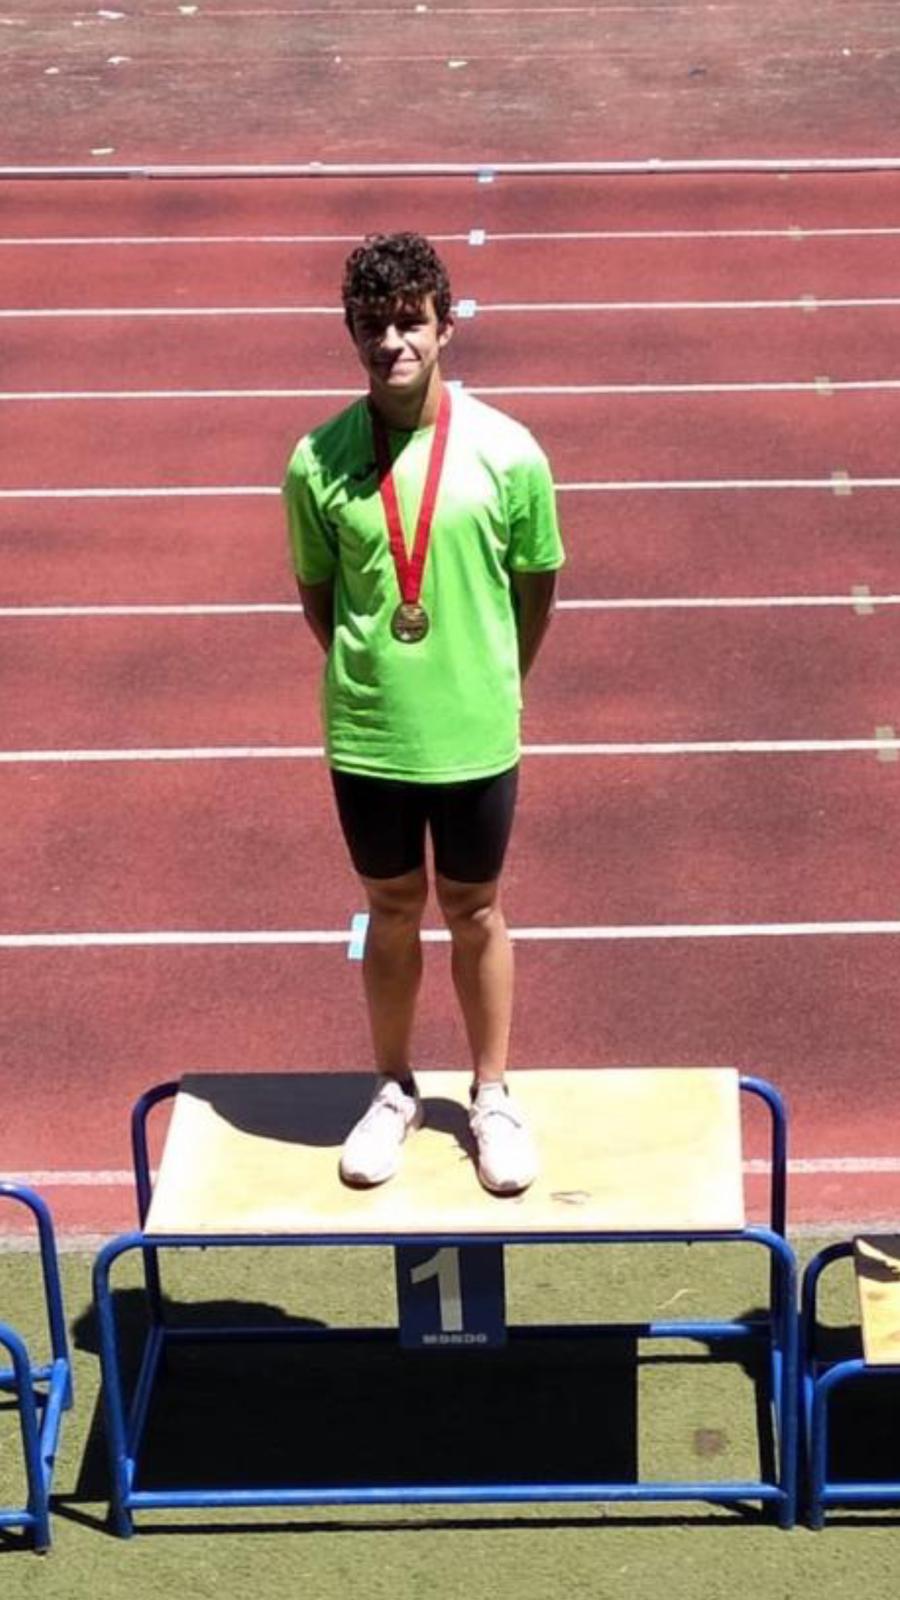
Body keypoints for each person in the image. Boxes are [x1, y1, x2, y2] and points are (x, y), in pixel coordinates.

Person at [283, 231, 564, 1194]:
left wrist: (492, 675)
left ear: (447, 326)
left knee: (476, 909)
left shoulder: (509, 453)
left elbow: (535, 585)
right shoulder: (317, 461)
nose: (392, 341)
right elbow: (323, 600)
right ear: (351, 332)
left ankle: (491, 1096)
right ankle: (394, 1089)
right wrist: (376, 671)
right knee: (391, 909)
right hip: (370, 733)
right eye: (373, 324)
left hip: (476, 728)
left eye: (410, 321)